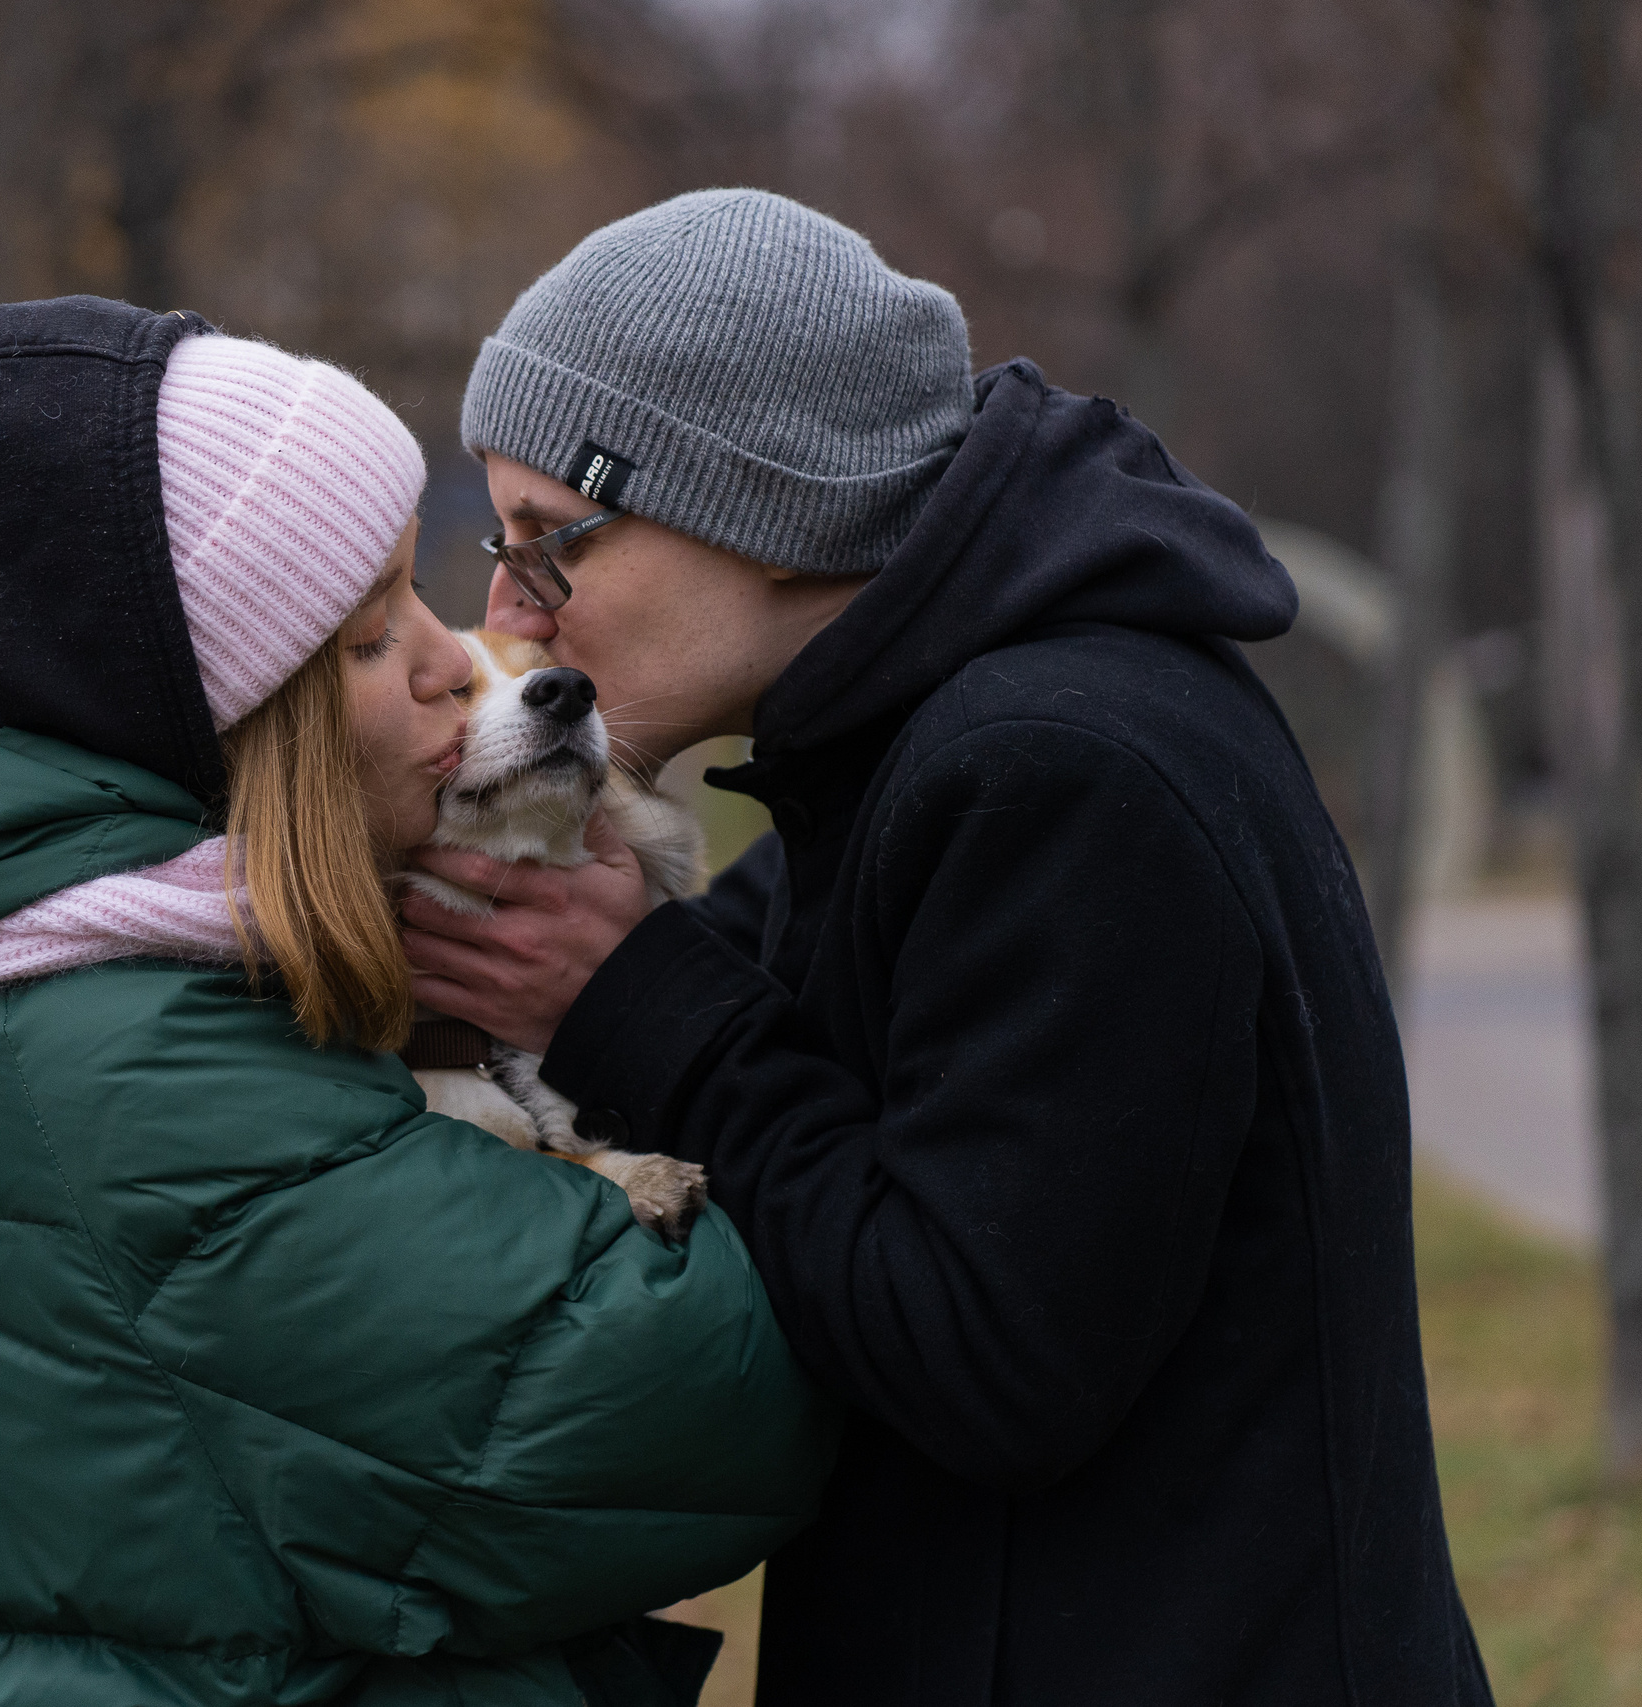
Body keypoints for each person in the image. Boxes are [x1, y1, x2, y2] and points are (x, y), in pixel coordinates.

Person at [403, 190, 1495, 1705]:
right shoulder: (913, 746)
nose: (507, 610)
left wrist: (633, 1001)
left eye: (551, 544)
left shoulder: (1060, 767)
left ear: (764, 506)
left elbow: (989, 1354)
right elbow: (719, 983)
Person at [0, 296, 837, 1707]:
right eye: (369, 641)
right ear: (215, 723)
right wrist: (660, 1019)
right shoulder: (151, 1074)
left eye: (420, 592)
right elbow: (710, 1418)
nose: (448, 659)